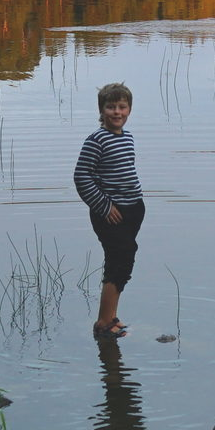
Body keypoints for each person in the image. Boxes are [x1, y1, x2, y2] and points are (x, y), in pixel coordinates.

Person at [73, 82, 144, 339]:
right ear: (101, 110)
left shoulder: (127, 137)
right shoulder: (96, 139)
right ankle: (104, 323)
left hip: (131, 209)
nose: (117, 112)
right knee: (119, 260)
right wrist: (104, 206)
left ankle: (111, 317)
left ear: (129, 110)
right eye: (111, 107)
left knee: (122, 260)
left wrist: (135, 205)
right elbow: (82, 176)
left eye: (122, 107)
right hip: (109, 213)